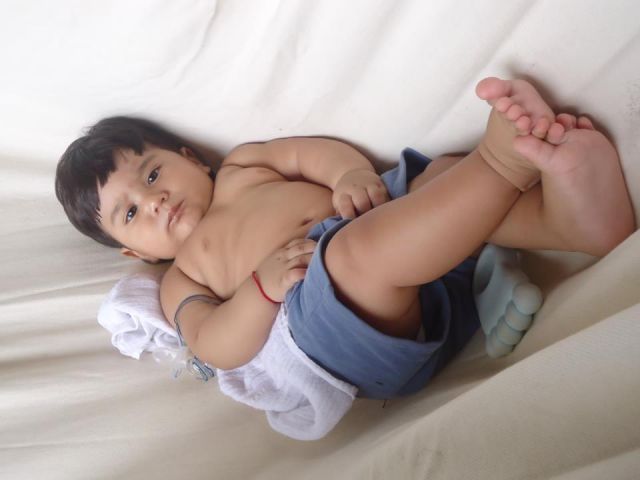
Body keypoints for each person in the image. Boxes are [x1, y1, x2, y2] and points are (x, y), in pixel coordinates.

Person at [55, 77, 635, 399]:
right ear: (135, 253)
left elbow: (310, 153)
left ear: (190, 158)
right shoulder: (183, 277)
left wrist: (349, 175)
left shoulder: (243, 166)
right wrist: (261, 289)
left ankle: (566, 224)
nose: (155, 200)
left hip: (397, 238)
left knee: (433, 177)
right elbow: (212, 344)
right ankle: (505, 164)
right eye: (131, 213)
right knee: (354, 255)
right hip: (328, 320)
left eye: (152, 174)